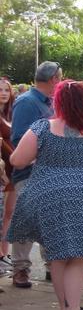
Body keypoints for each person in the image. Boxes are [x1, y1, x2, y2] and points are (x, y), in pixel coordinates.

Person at [7, 79, 83, 310]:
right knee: (79, 256)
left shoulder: (42, 128)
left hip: (49, 198)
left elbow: (17, 160)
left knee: (58, 256)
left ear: (58, 103)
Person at [9, 61, 62, 288]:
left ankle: (52, 267)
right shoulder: (27, 102)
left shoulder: (51, 102)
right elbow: (17, 140)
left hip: (50, 172)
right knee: (26, 221)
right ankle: (20, 269)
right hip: (29, 172)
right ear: (54, 80)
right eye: (60, 77)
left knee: (52, 221)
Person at [0, 78, 16, 276]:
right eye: (0, 90)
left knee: (10, 213)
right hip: (2, 171)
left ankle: (5, 251)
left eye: (6, 90)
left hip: (14, 170)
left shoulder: (12, 113)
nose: (3, 93)